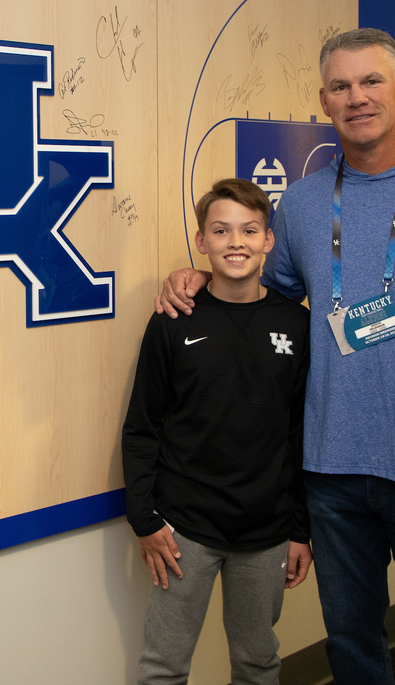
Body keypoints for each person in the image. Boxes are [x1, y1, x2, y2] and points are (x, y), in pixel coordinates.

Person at [155, 29, 395, 684]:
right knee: (354, 649)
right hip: (332, 471)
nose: (356, 97)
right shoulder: (301, 204)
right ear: (324, 101)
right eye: (340, 86)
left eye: (371, 81)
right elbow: (258, 298)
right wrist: (194, 279)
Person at [124, 178, 312, 685]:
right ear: (202, 241)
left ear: (268, 241)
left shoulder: (296, 324)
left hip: (268, 532)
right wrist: (145, 520)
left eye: (250, 230)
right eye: (221, 230)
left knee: (258, 663)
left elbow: (299, 433)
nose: (236, 242)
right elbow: (143, 426)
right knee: (163, 666)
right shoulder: (173, 319)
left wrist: (301, 528)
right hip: (184, 530)